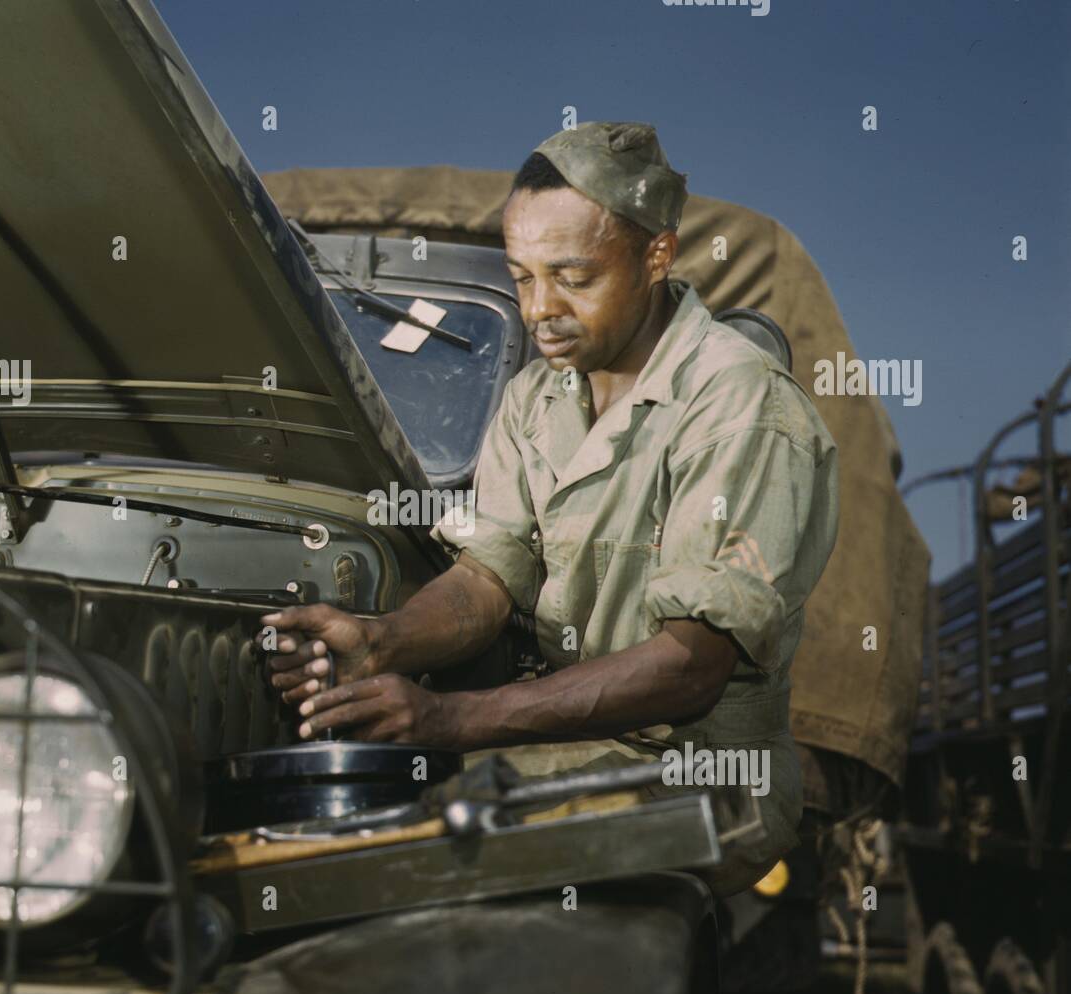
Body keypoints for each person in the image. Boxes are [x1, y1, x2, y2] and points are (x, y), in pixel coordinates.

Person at [262, 121, 839, 895]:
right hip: (573, 745)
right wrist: (383, 640)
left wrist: (449, 722)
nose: (540, 310)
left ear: (657, 256)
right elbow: (487, 576)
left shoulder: (739, 404)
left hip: (705, 780)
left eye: (573, 276)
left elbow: (691, 665)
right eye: (523, 277)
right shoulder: (538, 396)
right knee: (342, 827)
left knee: (407, 861)